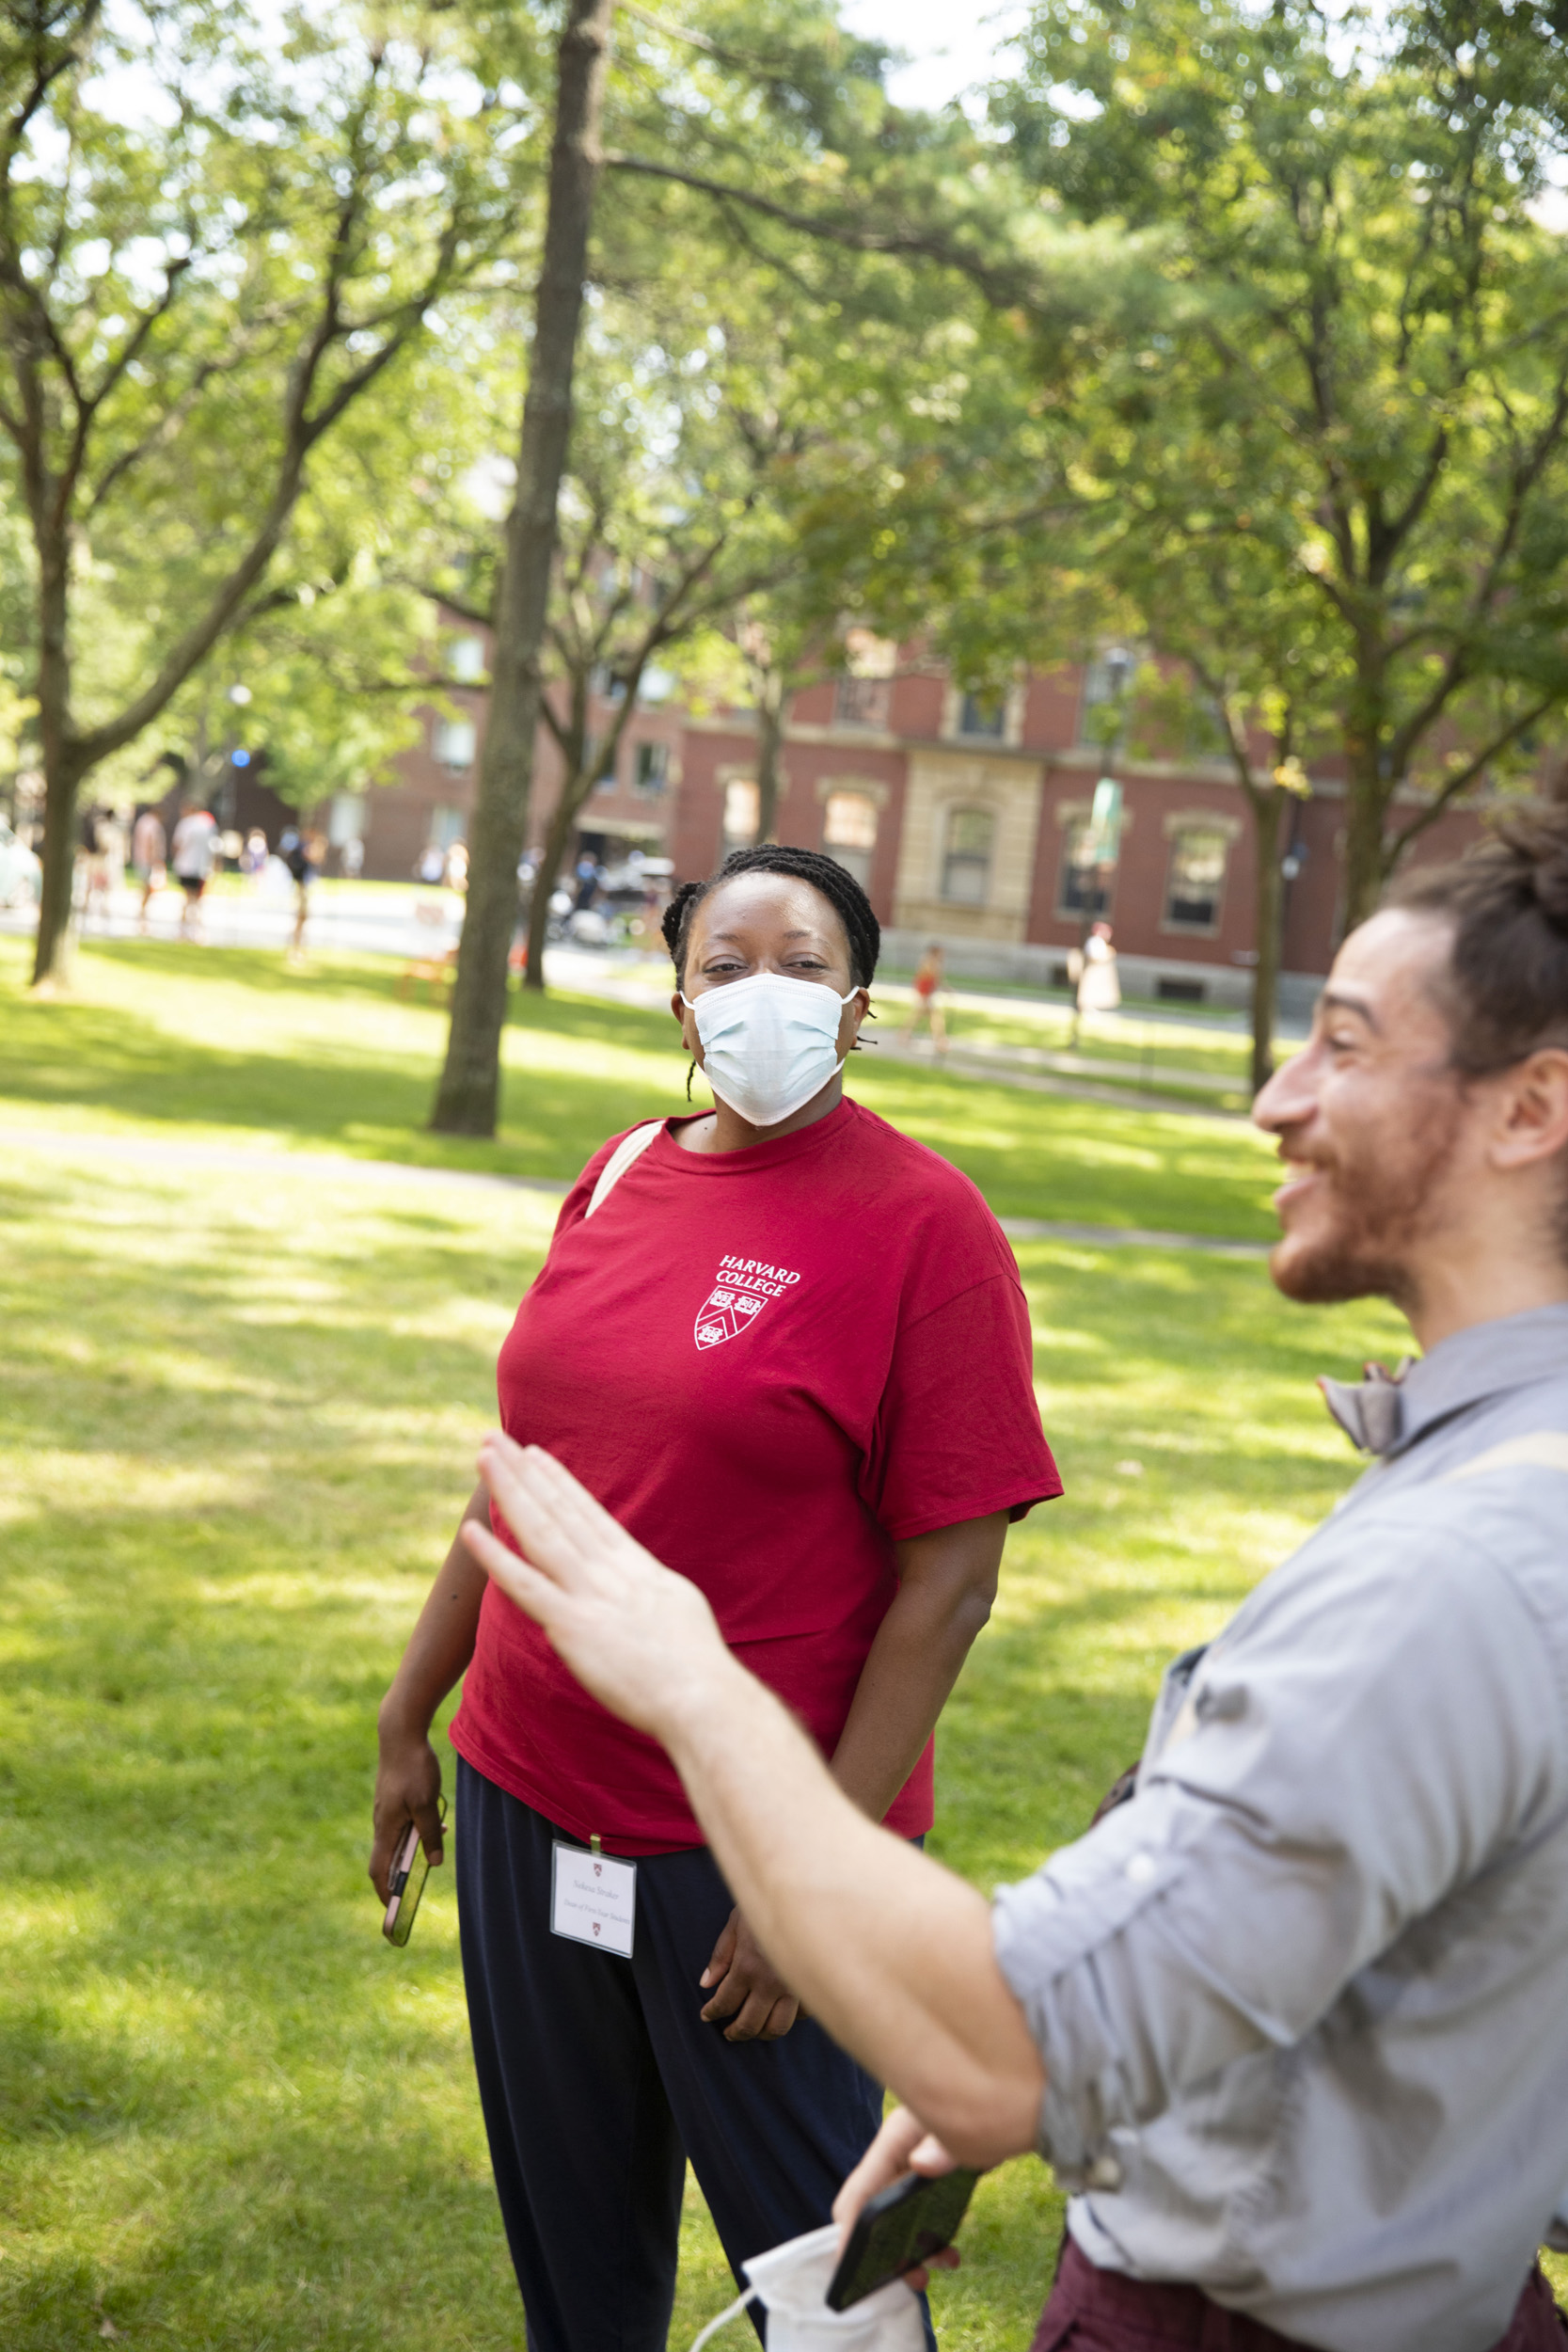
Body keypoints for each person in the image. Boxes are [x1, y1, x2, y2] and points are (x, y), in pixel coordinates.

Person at [457, 811, 1568, 2352]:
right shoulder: (1487, 1480)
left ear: (1531, 1109)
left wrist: (697, 1689)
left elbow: (1009, 2044)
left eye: (1342, 1045)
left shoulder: (1467, 1557)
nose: (1272, 1098)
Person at [370, 842, 1061, 2352]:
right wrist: (409, 1711)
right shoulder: (620, 1171)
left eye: (800, 965)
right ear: (681, 1004)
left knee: (833, 2289)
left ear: (859, 1006)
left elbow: (950, 1585)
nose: (762, 993)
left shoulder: (925, 1231)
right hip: (524, 1792)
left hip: (747, 1844)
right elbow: (525, 1476)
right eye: (724, 965)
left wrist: (799, 1874)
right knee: (575, 2270)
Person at [168, 797, 217, 939]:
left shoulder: (186, 824)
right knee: (196, 900)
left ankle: (183, 929)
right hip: (201, 867)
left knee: (187, 898)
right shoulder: (208, 824)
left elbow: (177, 844)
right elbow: (213, 847)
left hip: (186, 866)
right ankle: (196, 930)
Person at [1069, 918, 1119, 1048]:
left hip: (1097, 973)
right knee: (1087, 992)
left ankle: (1089, 1010)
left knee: (1094, 992)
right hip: (1091, 971)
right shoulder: (1094, 942)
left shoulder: (1099, 943)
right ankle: (1085, 1011)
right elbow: (1093, 957)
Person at [902, 944, 949, 1055]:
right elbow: (934, 977)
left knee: (928, 1017)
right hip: (924, 994)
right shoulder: (930, 961)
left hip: (926, 994)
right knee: (933, 1017)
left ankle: (905, 1035)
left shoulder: (931, 961)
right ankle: (939, 1041)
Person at [130, 806, 166, 934]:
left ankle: (142, 909)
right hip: (147, 860)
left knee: (144, 886)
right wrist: (154, 859)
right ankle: (143, 910)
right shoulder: (153, 823)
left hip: (140, 858)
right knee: (147, 887)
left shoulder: (142, 821)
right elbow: (152, 842)